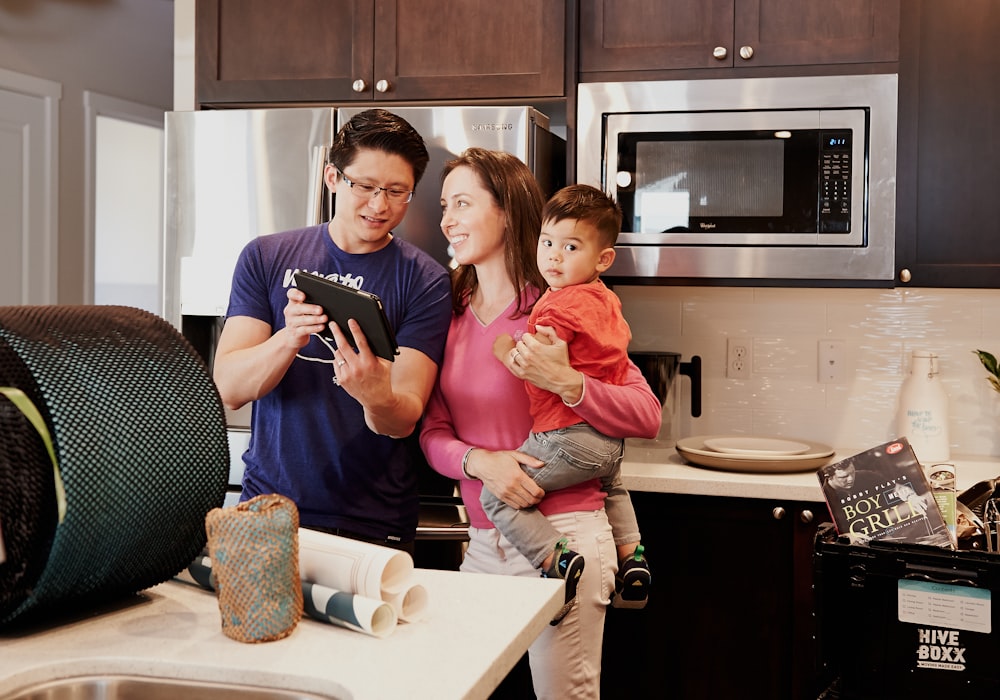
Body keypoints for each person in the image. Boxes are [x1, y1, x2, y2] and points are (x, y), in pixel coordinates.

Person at [420, 147, 661, 698]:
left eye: (462, 204)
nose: (445, 221)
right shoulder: (449, 315)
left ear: (507, 211)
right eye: (443, 206)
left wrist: (570, 384)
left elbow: (646, 415)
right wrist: (480, 462)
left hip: (568, 533)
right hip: (485, 540)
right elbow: (432, 433)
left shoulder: (563, 306)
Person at [213, 109, 452, 552]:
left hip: (373, 520)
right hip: (268, 508)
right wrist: (288, 339)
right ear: (332, 178)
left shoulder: (426, 281)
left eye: (397, 192)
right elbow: (228, 387)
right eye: (364, 186)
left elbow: (403, 419)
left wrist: (374, 393)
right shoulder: (265, 256)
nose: (379, 205)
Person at [487, 184, 651, 619]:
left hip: (565, 437)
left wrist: (503, 347)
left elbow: (531, 363)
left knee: (497, 497)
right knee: (612, 483)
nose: (554, 256)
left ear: (603, 258)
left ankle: (553, 558)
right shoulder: (608, 300)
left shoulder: (555, 306)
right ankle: (633, 556)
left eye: (570, 246)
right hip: (609, 444)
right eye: (547, 243)